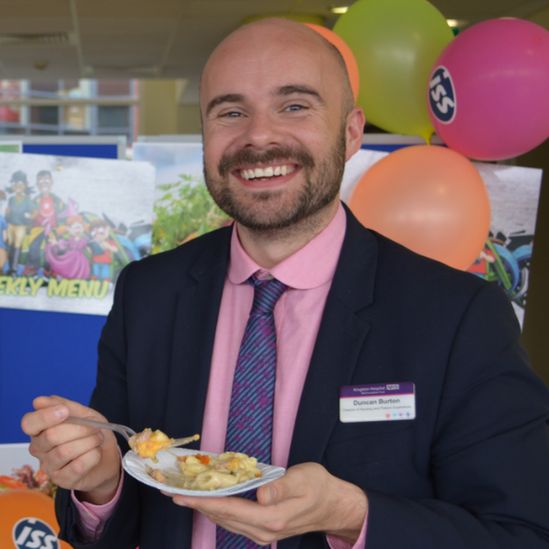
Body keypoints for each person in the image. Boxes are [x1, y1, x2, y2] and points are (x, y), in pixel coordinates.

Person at [21, 18, 549, 549]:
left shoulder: (457, 316)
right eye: (230, 112)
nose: (259, 136)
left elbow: (521, 532)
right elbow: (116, 517)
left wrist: (353, 517)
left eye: (294, 106)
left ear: (350, 131)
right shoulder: (148, 294)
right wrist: (100, 483)